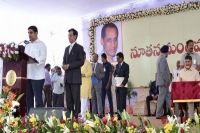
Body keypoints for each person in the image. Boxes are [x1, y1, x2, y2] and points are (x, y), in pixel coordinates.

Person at [62, 28, 84, 118]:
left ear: (75, 36)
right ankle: (70, 117)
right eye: (68, 35)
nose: (69, 37)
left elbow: (81, 61)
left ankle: (76, 117)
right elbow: (64, 60)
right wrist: (64, 65)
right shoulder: (66, 48)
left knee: (76, 99)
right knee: (68, 100)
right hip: (67, 77)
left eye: (70, 35)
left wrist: (69, 65)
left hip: (75, 78)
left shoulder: (79, 48)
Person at [25, 26, 47, 114]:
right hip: (28, 75)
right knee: (28, 99)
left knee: (38, 100)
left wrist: (34, 59)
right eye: (28, 33)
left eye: (31, 32)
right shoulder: (27, 45)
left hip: (38, 76)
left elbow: (43, 58)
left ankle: (39, 121)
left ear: (36, 33)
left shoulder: (41, 44)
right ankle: (29, 120)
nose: (29, 34)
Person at [177, 55, 200, 120]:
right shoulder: (180, 72)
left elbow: (198, 83)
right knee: (176, 97)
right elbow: (177, 83)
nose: (187, 63)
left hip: (192, 93)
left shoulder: (195, 72)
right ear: (184, 62)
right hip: (182, 93)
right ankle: (180, 118)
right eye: (186, 62)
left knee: (190, 99)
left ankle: (191, 118)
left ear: (191, 62)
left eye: (188, 61)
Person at [156, 45, 171, 119]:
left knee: (168, 97)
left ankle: (173, 111)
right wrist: (166, 81)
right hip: (164, 83)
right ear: (166, 51)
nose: (168, 53)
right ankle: (158, 114)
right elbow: (163, 71)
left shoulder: (160, 58)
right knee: (161, 98)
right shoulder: (163, 59)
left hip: (163, 83)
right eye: (168, 51)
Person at [114, 52, 129, 120]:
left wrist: (123, 83)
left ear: (122, 58)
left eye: (118, 58)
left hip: (123, 86)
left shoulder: (126, 66)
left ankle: (123, 116)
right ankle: (119, 116)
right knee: (118, 102)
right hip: (117, 87)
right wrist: (115, 76)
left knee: (123, 102)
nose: (117, 59)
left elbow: (126, 76)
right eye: (116, 58)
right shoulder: (117, 66)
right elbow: (114, 74)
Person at [91, 53, 105, 118]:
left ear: (97, 58)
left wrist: (98, 76)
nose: (94, 58)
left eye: (95, 57)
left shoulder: (100, 65)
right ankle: (94, 113)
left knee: (98, 99)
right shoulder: (91, 65)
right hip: (92, 84)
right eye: (93, 57)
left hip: (98, 84)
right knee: (93, 99)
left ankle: (100, 113)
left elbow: (103, 74)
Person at [80, 51, 93, 119]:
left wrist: (83, 75)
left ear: (85, 55)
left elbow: (90, 72)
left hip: (86, 84)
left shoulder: (87, 63)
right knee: (82, 101)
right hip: (81, 84)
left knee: (83, 100)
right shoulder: (80, 63)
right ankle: (87, 116)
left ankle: (83, 117)